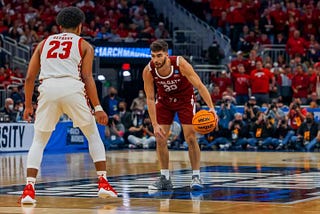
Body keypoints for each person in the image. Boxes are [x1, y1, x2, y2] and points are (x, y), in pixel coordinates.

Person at [19, 7, 117, 204]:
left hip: (48, 88)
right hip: (72, 87)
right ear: (80, 27)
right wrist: (98, 107)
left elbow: (30, 78)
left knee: (39, 140)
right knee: (92, 134)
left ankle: (29, 189)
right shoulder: (85, 45)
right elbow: (88, 77)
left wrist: (28, 105)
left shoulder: (43, 44)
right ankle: (103, 182)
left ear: (60, 26)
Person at [143, 39, 217, 191]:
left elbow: (199, 85)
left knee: (190, 137)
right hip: (164, 102)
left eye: (159, 55)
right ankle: (165, 178)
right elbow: (150, 98)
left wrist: (211, 108)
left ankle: (196, 175)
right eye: (153, 56)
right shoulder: (148, 71)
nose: (155, 59)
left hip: (184, 100)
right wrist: (155, 125)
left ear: (166, 54)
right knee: (160, 137)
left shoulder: (180, 63)